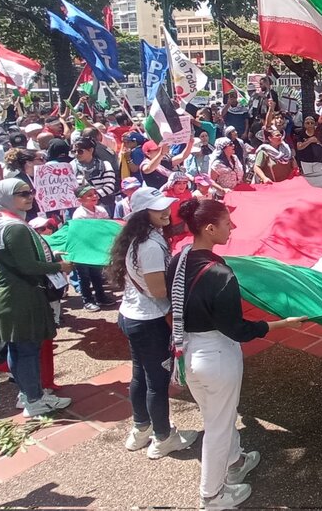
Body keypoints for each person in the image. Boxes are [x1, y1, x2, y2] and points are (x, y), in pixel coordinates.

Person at [168, 198, 305, 508]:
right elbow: (237, 329)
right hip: (216, 355)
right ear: (210, 228)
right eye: (228, 223)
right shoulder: (220, 274)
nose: (234, 228)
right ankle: (212, 495)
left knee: (217, 415)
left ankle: (235, 462)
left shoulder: (179, 259)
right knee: (217, 427)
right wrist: (279, 324)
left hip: (187, 353)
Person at [105, 186, 199, 459]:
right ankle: (163, 437)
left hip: (132, 316)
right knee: (156, 380)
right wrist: (187, 285)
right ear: (141, 213)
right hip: (148, 321)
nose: (164, 211)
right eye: (157, 208)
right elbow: (159, 290)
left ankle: (141, 428)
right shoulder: (149, 246)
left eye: (164, 206)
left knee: (140, 376)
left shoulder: (139, 239)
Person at [0, 179, 74, 417]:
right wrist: (58, 266)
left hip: (10, 291)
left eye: (30, 192)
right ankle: (34, 399)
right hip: (18, 294)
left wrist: (50, 256)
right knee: (26, 350)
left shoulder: (1, 221)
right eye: (21, 194)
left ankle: (28, 393)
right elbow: (26, 265)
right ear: (3, 198)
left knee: (18, 348)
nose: (29, 196)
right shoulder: (14, 227)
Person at [72, 138, 118, 216]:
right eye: (74, 151)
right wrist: (84, 201)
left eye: (80, 151)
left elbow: (109, 187)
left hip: (103, 206)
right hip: (80, 209)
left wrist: (93, 198)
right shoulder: (70, 167)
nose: (76, 154)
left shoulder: (105, 165)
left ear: (91, 150)